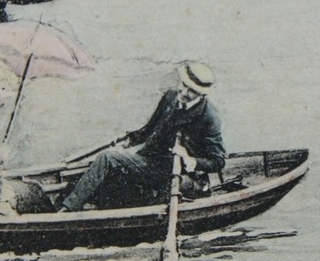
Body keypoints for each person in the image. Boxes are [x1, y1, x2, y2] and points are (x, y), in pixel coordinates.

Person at [58, 61, 227, 212]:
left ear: (202, 94)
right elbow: (150, 129)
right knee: (110, 169)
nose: (183, 92)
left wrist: (191, 160)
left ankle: (68, 210)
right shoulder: (170, 97)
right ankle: (77, 203)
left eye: (191, 91)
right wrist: (130, 140)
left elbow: (218, 161)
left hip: (173, 171)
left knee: (107, 158)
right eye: (184, 85)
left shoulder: (209, 117)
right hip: (149, 159)